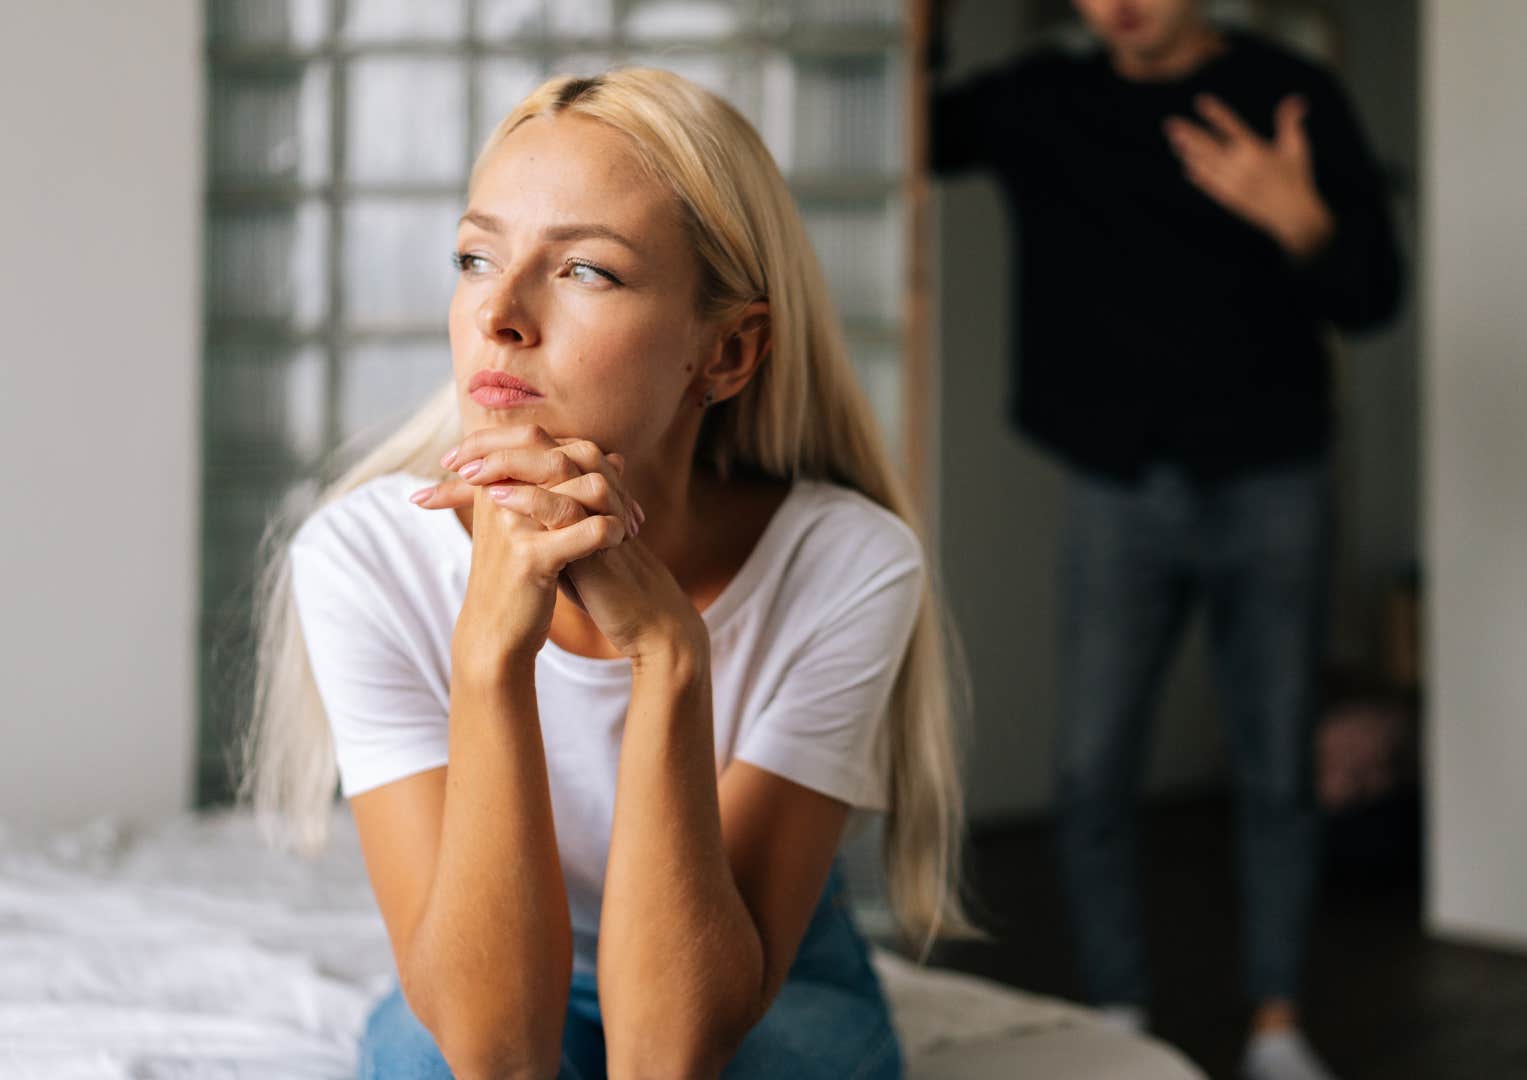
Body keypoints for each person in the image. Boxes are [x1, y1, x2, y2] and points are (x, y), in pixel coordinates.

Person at [238, 68, 981, 1078]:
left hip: (755, 972)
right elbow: (495, 1054)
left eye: (586, 271)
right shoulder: (365, 555)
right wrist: (492, 654)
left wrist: (670, 656)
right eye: (474, 256)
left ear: (725, 353)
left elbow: (669, 1056)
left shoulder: (844, 563)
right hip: (494, 960)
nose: (498, 313)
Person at [926, 1, 1404, 1078]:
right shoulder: (1042, 101)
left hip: (1275, 482)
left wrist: (1303, 223)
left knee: (1278, 765)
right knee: (1092, 770)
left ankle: (1279, 1025)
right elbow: (906, 129)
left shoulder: (1291, 94)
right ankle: (1120, 1015)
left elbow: (1376, 297)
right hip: (1117, 489)